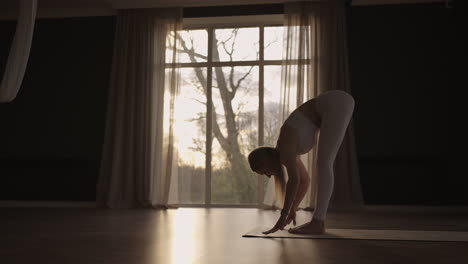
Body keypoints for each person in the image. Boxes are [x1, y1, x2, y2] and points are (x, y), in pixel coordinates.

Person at [248, 90, 355, 235]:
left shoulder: (284, 148)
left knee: (324, 163)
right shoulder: (288, 151)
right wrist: (292, 209)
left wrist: (283, 215)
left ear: (265, 160)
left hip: (335, 102)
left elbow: (294, 180)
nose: (268, 176)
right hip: (338, 102)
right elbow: (304, 181)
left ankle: (317, 222)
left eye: (264, 171)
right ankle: (318, 222)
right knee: (324, 163)